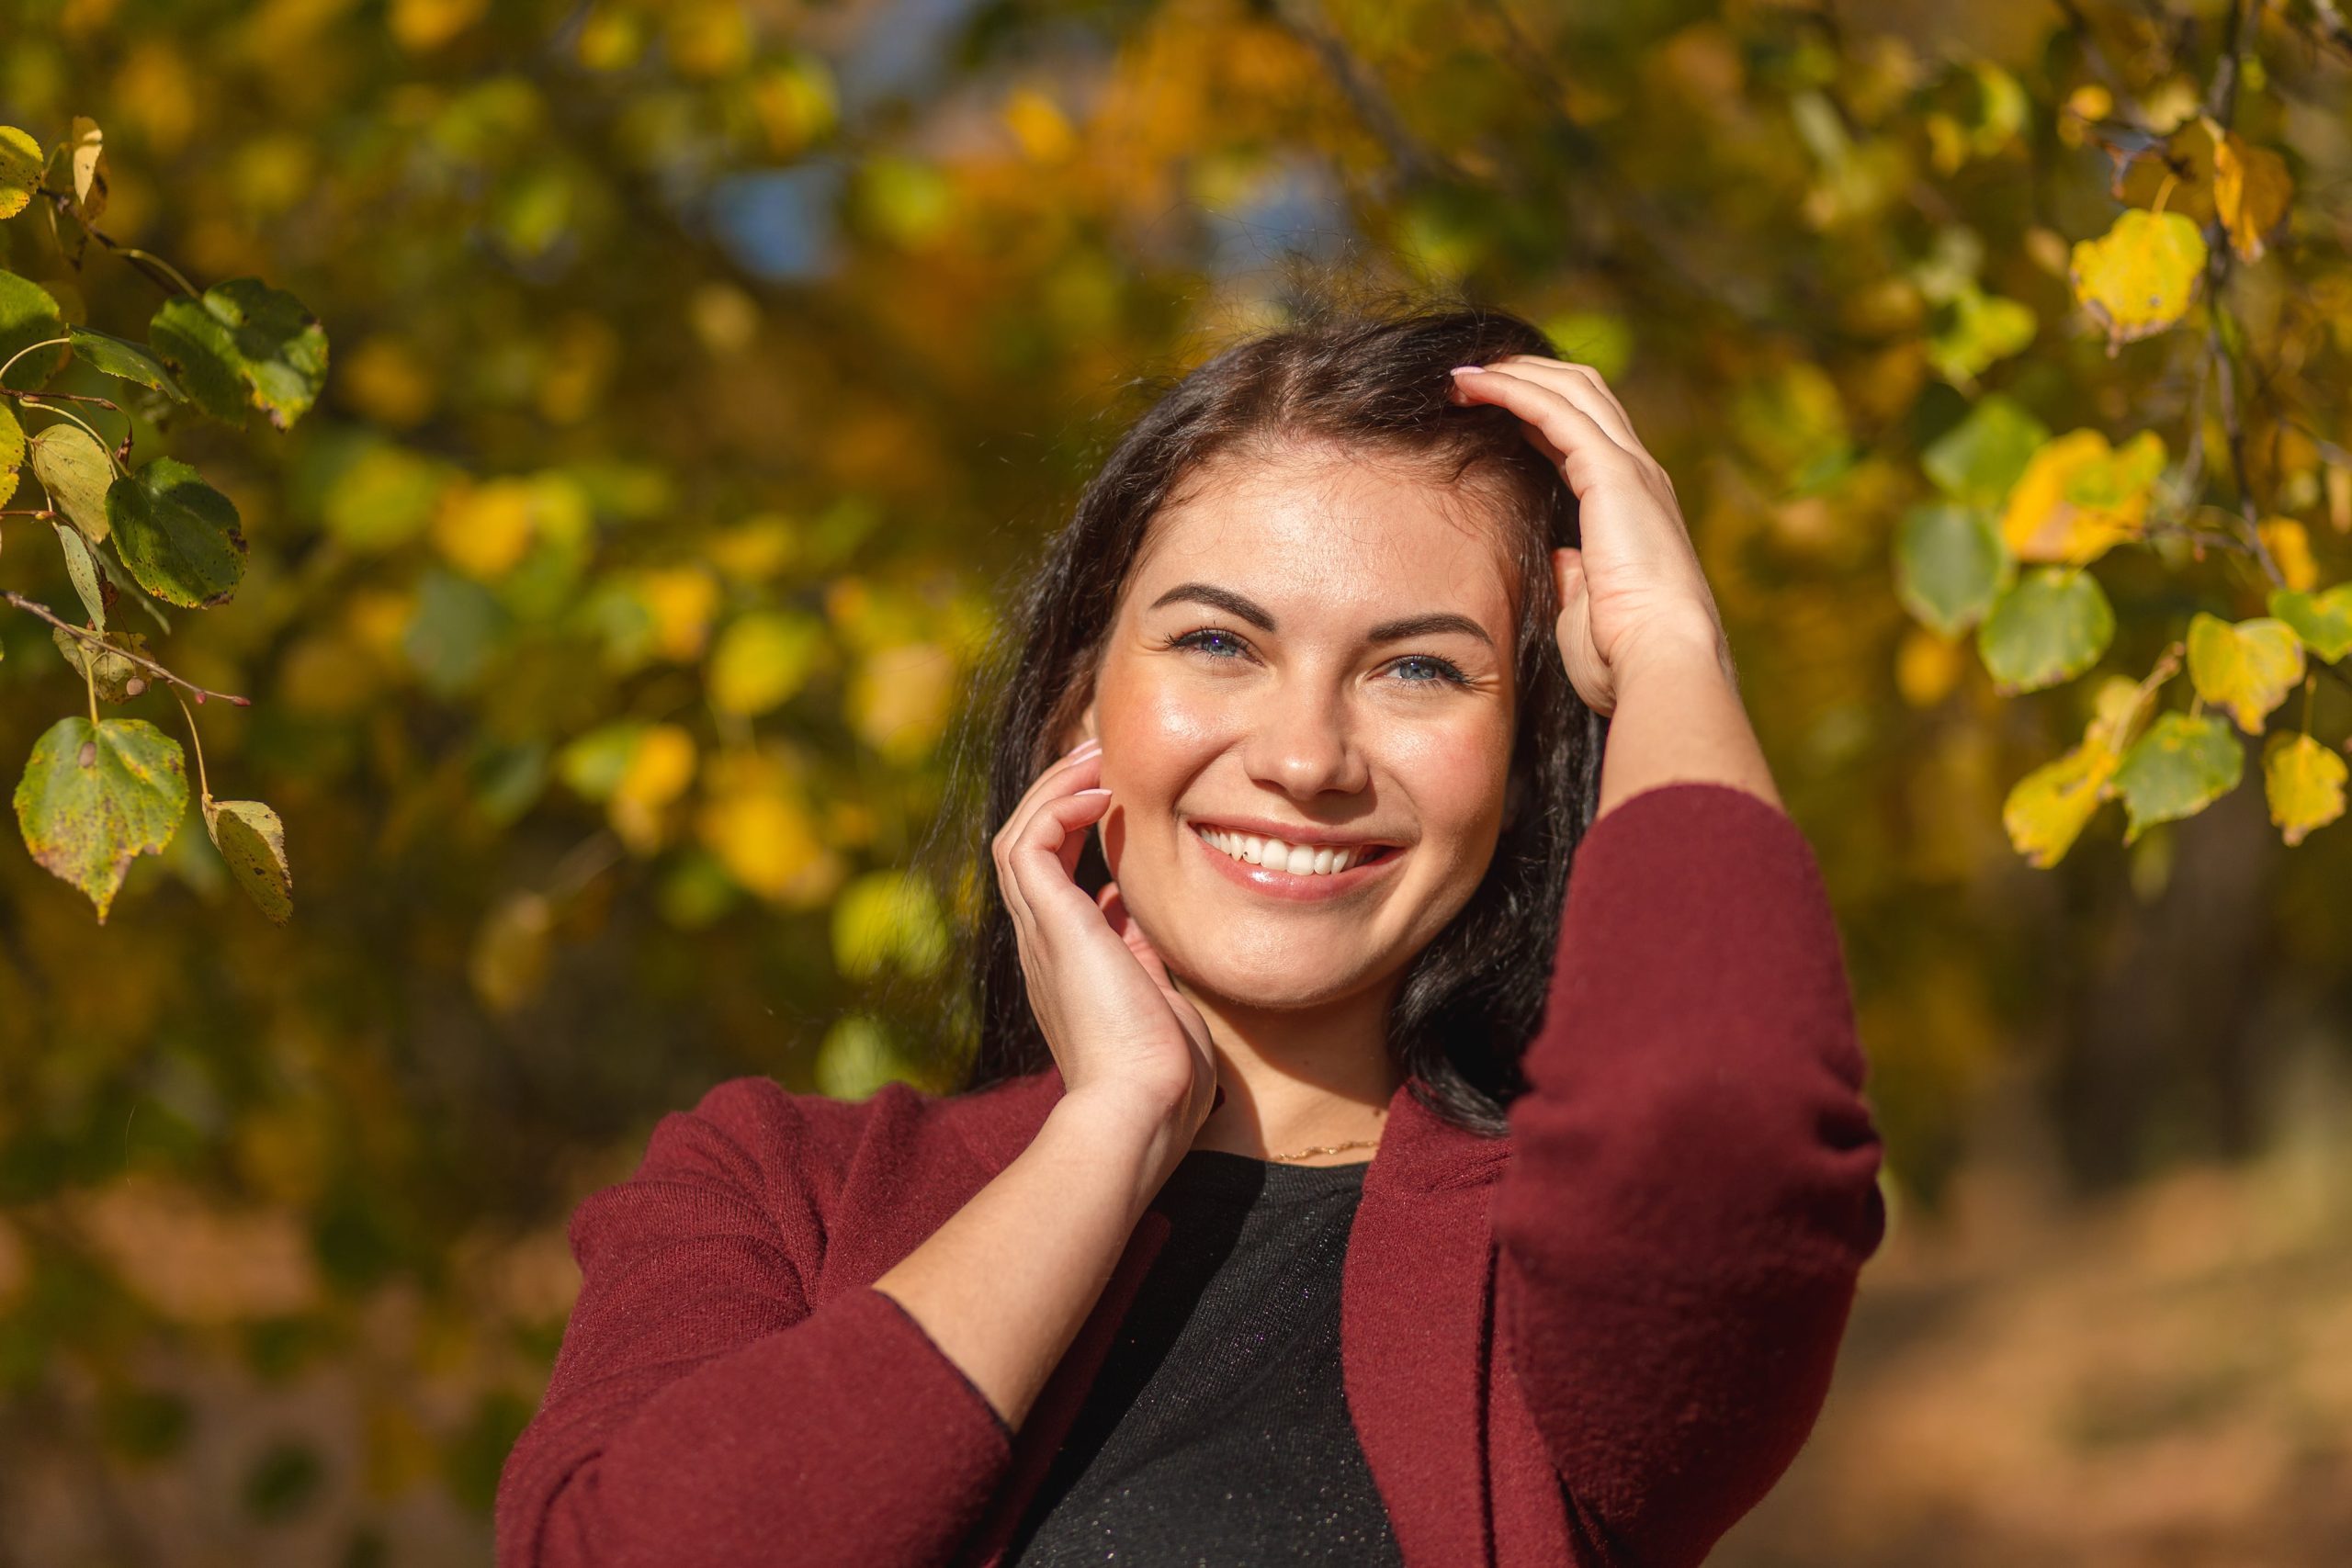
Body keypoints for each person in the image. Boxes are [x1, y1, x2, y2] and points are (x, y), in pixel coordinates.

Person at [494, 305, 1889, 1568]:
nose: (1306, 756)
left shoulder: (1540, 1278)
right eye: (1219, 643)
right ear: (1072, 711)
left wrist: (1666, 657)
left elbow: (1732, 1126)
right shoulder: (779, 1189)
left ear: (1523, 763)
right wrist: (1108, 1129)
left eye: (1416, 668)